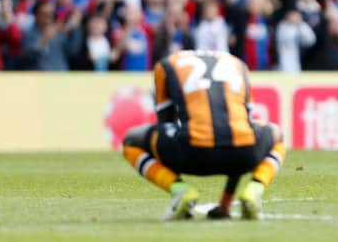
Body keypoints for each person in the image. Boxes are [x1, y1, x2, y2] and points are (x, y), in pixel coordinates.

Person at [122, 49, 285, 220]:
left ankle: (180, 191)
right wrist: (226, 202)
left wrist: (174, 175)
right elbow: (242, 130)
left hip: (191, 153)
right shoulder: (238, 64)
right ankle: (254, 190)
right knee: (277, 135)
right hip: (243, 154)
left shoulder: (166, 65)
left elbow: (166, 124)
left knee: (131, 139)